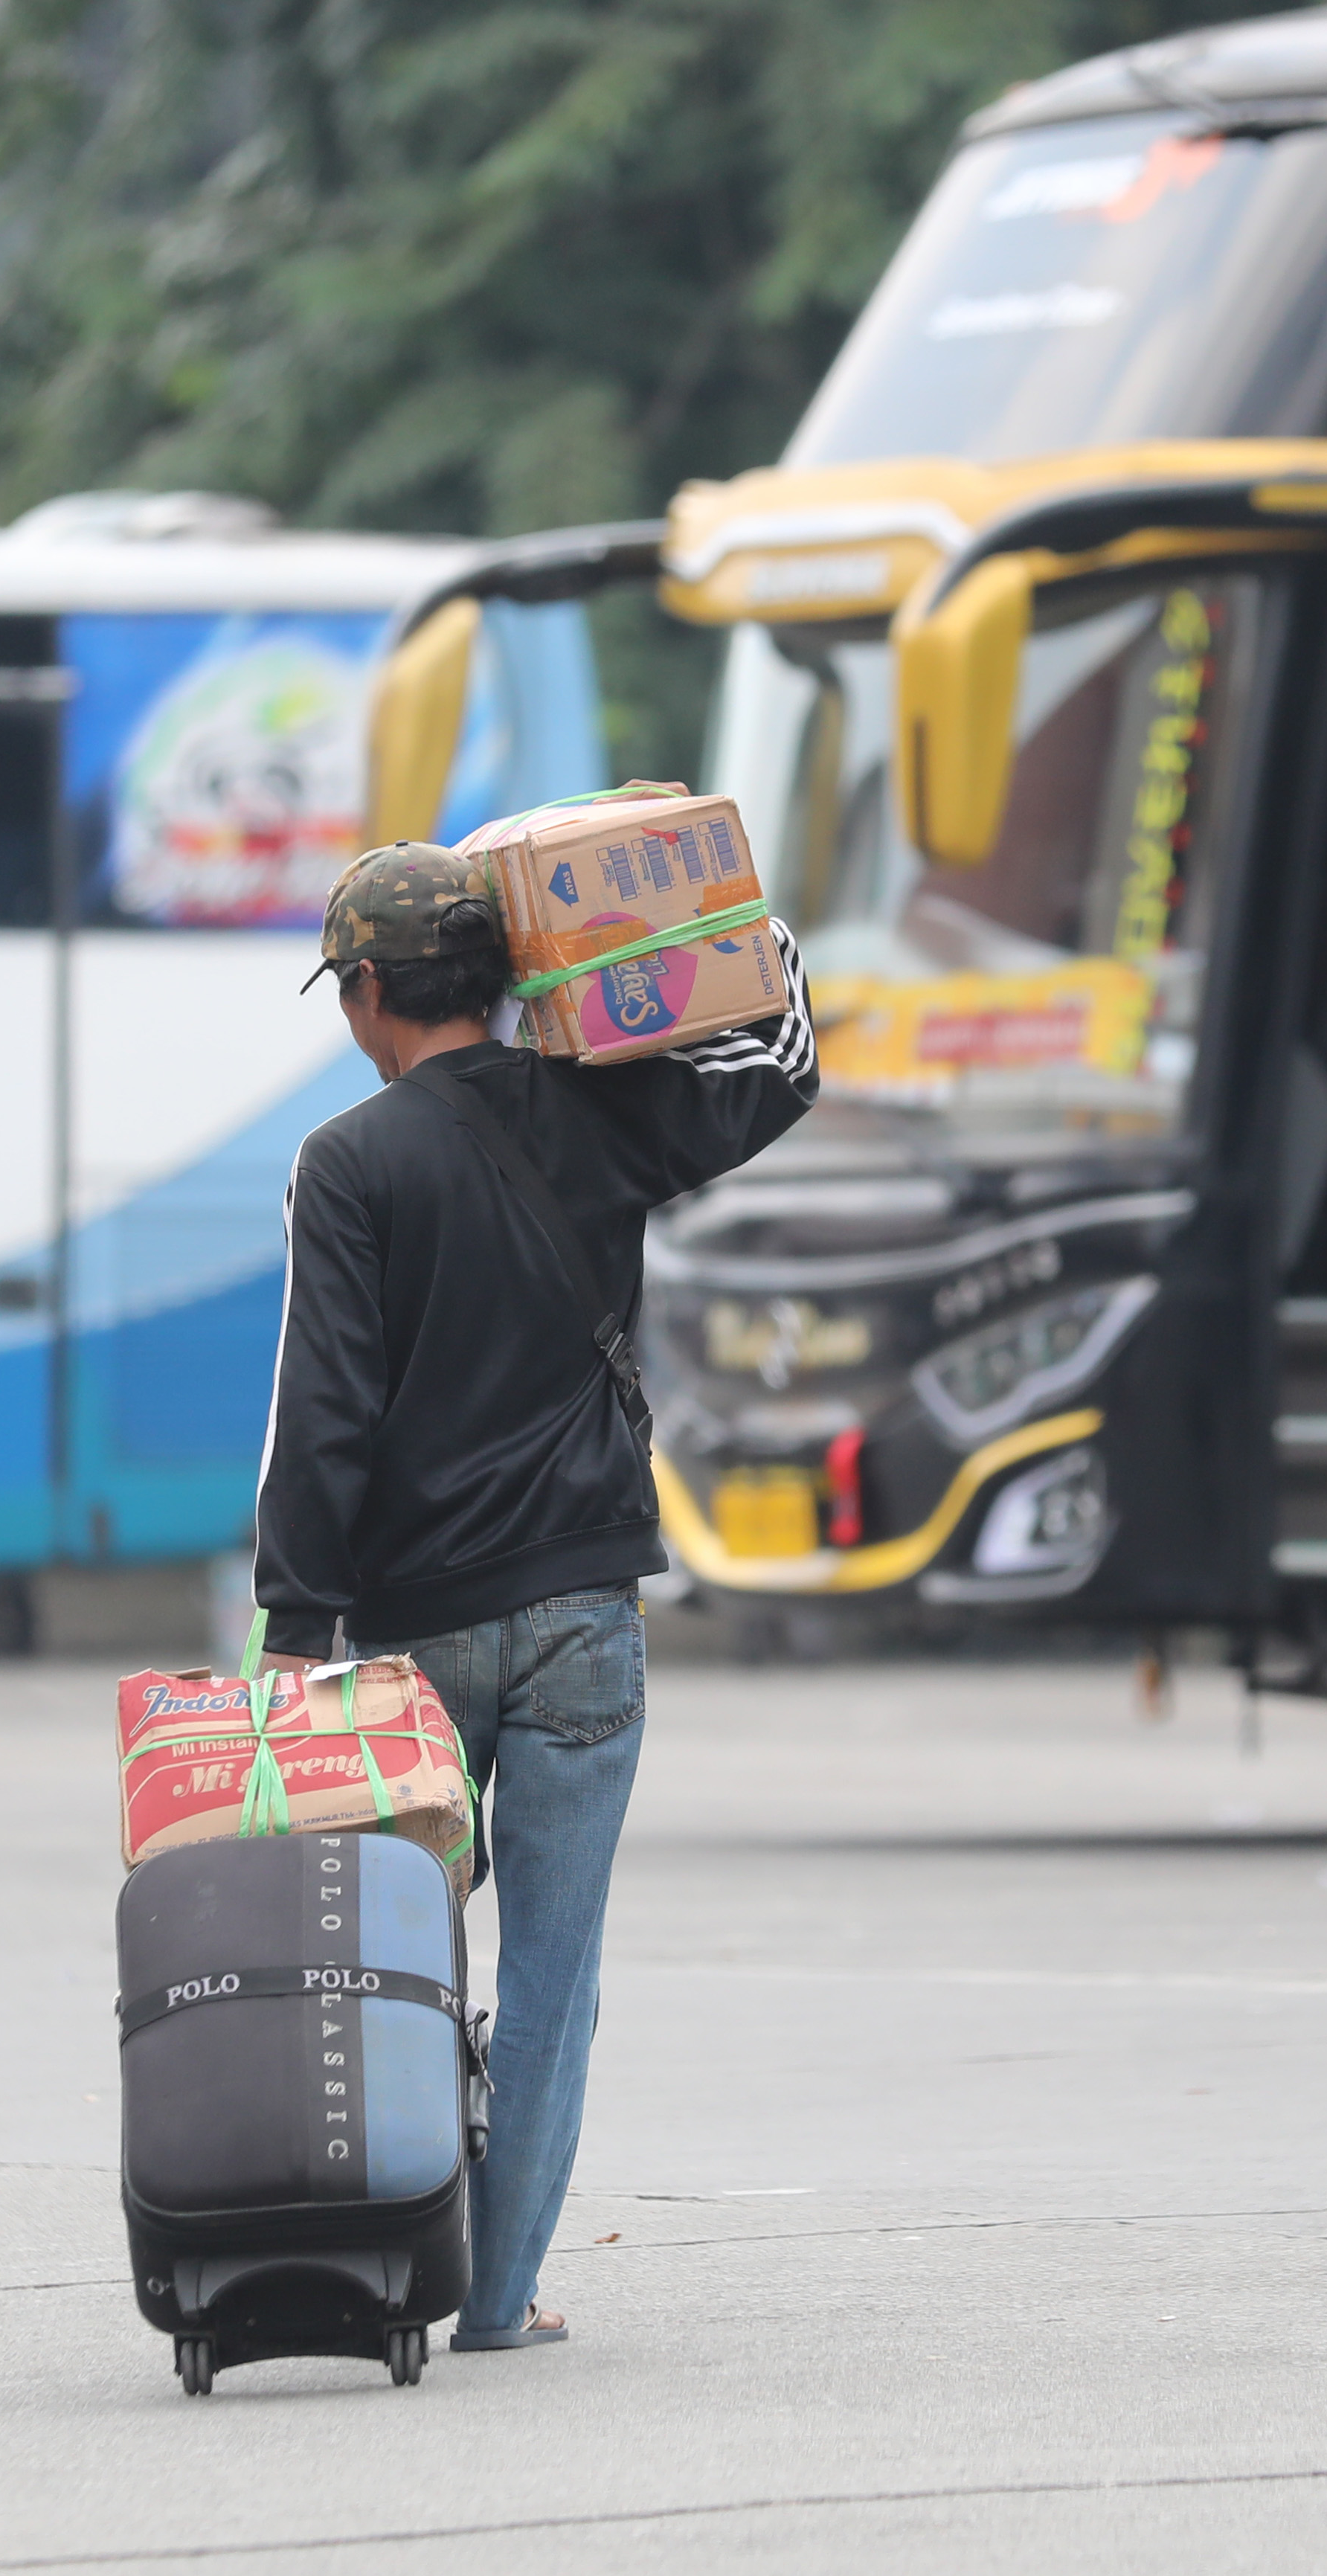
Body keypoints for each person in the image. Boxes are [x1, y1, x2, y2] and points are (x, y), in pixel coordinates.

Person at [252, 839, 814, 2351]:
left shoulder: (350, 1161)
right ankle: (500, 2297)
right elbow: (784, 1063)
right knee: (554, 1973)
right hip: (583, 1613)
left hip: (417, 1628)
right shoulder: (602, 1113)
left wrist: (294, 1633)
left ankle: (392, 2268)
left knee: (394, 1962)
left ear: (371, 989)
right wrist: (736, 916)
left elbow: (325, 1414)